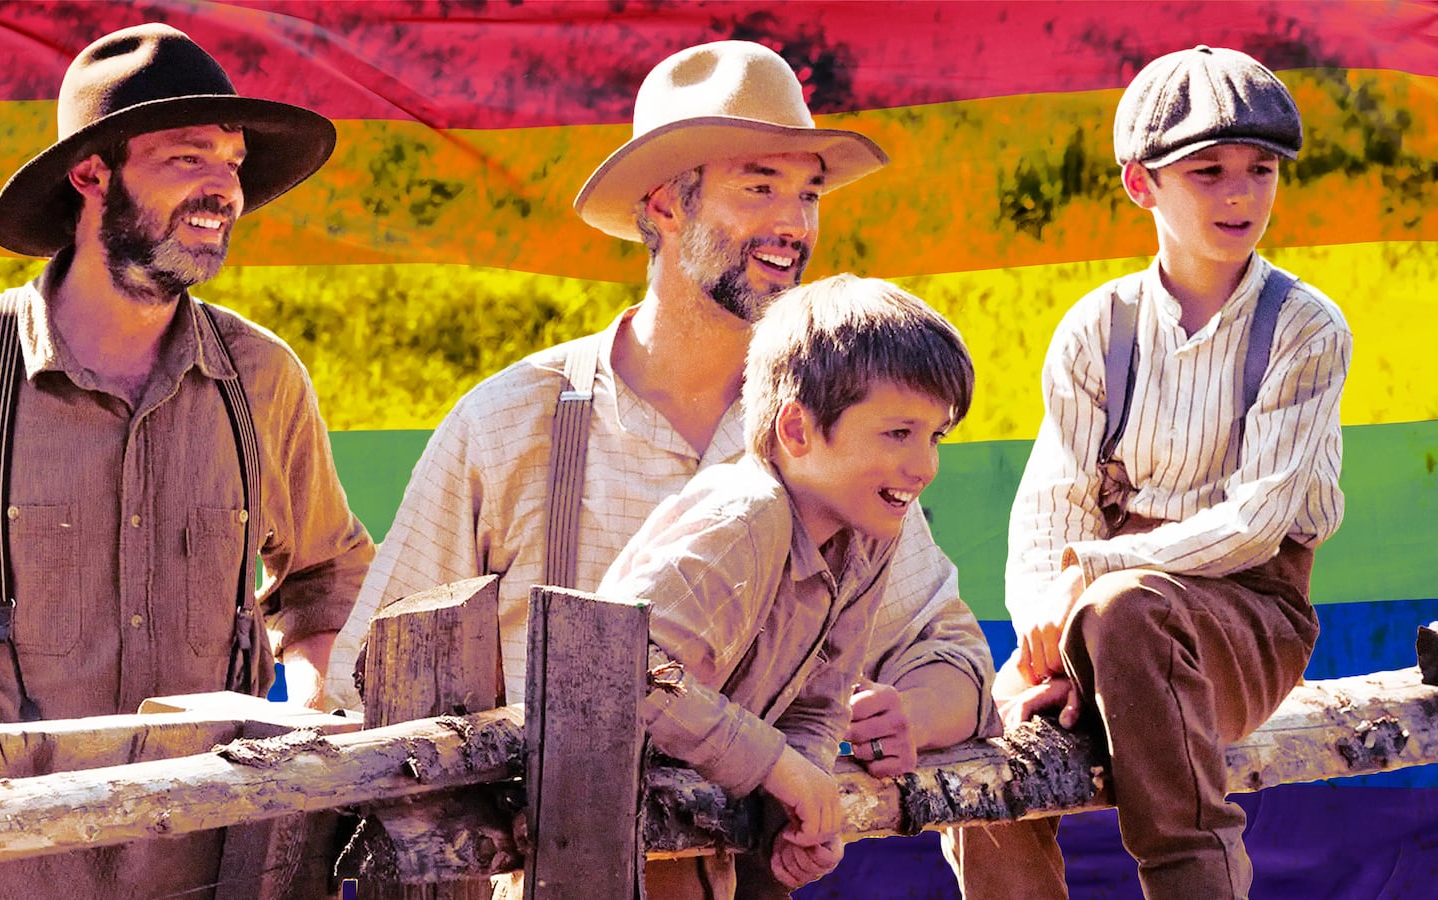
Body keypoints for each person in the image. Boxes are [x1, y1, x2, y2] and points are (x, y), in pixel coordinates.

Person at [325, 39, 993, 777]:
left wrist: (911, 715)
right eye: (759, 187)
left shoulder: (832, 426)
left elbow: (951, 652)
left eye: (808, 194)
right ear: (666, 205)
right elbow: (368, 684)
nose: (796, 225)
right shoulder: (510, 422)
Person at [0, 22, 372, 724]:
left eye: (234, 163)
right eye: (188, 158)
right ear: (92, 173)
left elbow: (326, 580)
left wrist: (317, 714)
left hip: (221, 828)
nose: (226, 192)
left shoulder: (260, 379)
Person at [944, 46, 1352, 900]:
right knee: (977, 736)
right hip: (1093, 618)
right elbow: (1051, 506)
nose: (1240, 194)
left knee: (1128, 611)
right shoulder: (1098, 327)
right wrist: (1042, 636)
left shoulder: (1304, 328)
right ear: (1142, 185)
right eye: (1207, 172)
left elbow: (1257, 522)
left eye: (1260, 170)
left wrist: (1095, 573)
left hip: (1245, 612)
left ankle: (1194, 880)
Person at [602, 274, 974, 896]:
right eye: (898, 433)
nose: (925, 466)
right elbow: (620, 669)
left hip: (694, 819)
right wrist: (778, 767)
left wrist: (803, 801)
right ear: (797, 430)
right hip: (595, 831)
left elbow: (819, 700)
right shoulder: (745, 517)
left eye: (936, 436)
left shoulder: (866, 537)